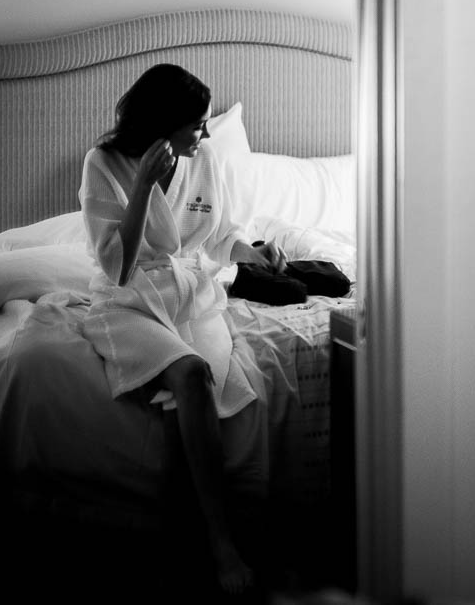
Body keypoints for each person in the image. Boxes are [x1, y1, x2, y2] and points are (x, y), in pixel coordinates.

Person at [78, 63, 285, 595]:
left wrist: (253, 253)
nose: (206, 134)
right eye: (196, 124)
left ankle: (200, 537)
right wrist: (144, 183)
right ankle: (221, 545)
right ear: (163, 124)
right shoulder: (104, 163)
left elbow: (217, 238)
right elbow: (115, 266)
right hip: (128, 300)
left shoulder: (206, 159)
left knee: (213, 389)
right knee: (190, 375)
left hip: (190, 296)